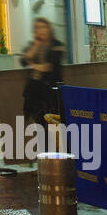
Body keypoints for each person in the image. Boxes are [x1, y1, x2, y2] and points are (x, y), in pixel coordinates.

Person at [20, 17, 65, 150]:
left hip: (52, 93)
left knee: (54, 128)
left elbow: (50, 66)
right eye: (37, 28)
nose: (41, 30)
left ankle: (57, 161)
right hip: (35, 94)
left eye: (43, 27)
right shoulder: (33, 45)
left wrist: (34, 65)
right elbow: (24, 60)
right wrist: (35, 45)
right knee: (40, 129)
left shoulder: (56, 45)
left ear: (49, 28)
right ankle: (44, 160)